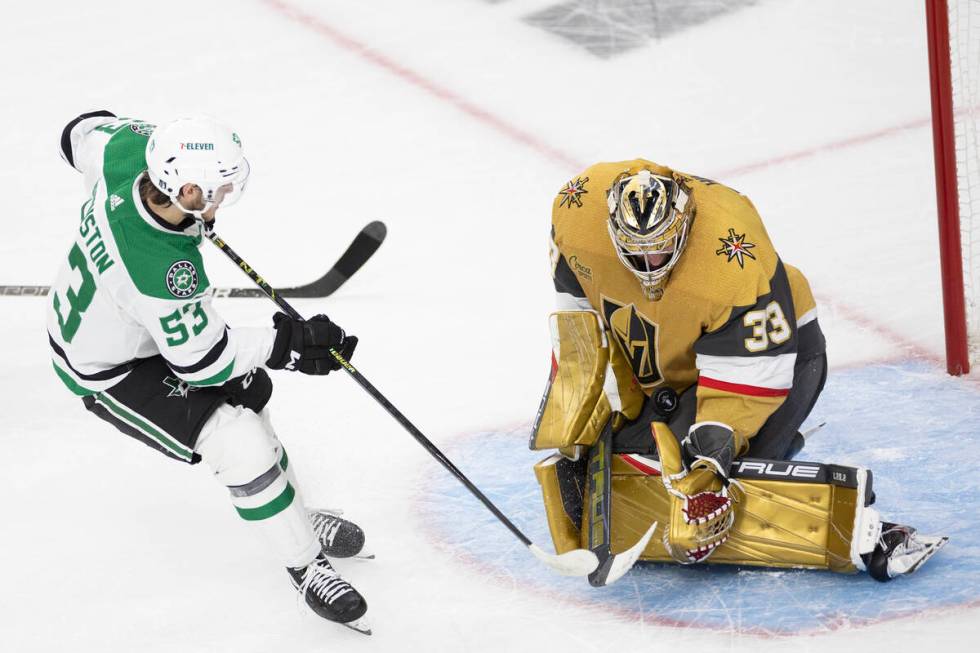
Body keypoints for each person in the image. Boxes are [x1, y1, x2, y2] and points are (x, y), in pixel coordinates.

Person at [532, 159, 946, 581]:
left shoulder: (732, 259)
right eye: (636, 251)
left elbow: (746, 380)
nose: (650, 262)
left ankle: (871, 534)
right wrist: (589, 411)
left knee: (712, 482)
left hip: (777, 358)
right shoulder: (577, 220)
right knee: (627, 466)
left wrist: (711, 460)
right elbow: (583, 328)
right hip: (670, 367)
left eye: (660, 246)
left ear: (684, 223)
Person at [48, 111, 369, 632]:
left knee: (252, 401)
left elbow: (82, 130)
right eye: (216, 192)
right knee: (237, 439)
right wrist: (288, 346)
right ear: (187, 188)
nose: (222, 202)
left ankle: (295, 521)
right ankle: (305, 565)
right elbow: (202, 361)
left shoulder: (128, 151)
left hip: (135, 327)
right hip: (109, 366)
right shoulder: (163, 273)